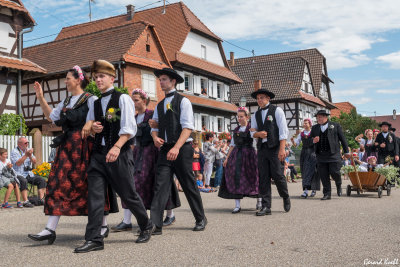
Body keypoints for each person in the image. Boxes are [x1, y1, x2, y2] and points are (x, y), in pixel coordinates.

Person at [28, 66, 115, 245]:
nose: (66, 81)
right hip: (67, 148)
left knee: (90, 186)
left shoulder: (91, 99)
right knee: (57, 183)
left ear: (78, 80)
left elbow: (100, 120)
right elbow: (52, 117)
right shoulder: (66, 100)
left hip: (85, 147)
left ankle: (103, 225)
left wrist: (89, 124)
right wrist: (40, 97)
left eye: (68, 78)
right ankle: (49, 229)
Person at [74, 60, 154, 253]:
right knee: (95, 197)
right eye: (96, 77)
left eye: (102, 76)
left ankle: (146, 224)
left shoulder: (122, 98)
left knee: (128, 194)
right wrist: (93, 128)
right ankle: (94, 239)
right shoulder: (94, 101)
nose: (98, 80)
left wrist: (117, 147)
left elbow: (129, 128)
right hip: (99, 155)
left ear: (112, 78)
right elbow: (92, 126)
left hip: (119, 153)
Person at [112, 88, 180, 232]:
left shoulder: (152, 115)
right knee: (131, 184)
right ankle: (127, 220)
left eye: (136, 100)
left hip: (152, 154)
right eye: (132, 100)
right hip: (136, 153)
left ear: (144, 101)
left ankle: (170, 214)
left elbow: (163, 129)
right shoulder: (133, 117)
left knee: (158, 185)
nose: (134, 103)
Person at [149, 67, 206, 235]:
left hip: (181, 148)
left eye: (164, 79)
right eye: (160, 80)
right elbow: (154, 125)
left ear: (173, 81)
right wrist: (154, 137)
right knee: (160, 186)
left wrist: (176, 147)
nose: (161, 82)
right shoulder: (159, 104)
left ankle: (200, 218)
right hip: (165, 149)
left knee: (188, 184)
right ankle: (156, 224)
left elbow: (188, 128)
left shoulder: (183, 101)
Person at [250, 88, 290, 216]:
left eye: (262, 97)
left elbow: (283, 131)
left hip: (275, 148)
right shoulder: (255, 114)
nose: (259, 100)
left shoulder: (277, 110)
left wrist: (282, 149)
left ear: (268, 98)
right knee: (263, 177)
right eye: (258, 98)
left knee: (278, 175)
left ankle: (285, 196)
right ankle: (266, 206)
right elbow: (252, 132)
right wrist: (258, 134)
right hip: (262, 148)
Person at [219, 107, 261, 213]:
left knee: (254, 176)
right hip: (237, 155)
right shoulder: (236, 129)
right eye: (238, 116)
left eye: (241, 116)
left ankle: (259, 200)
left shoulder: (251, 128)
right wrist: (227, 158)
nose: (239, 118)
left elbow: (257, 140)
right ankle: (237, 205)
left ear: (247, 117)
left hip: (249, 155)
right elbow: (232, 145)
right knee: (235, 177)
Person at [310, 110, 350, 200]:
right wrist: (313, 141)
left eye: (320, 117)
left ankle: (338, 184)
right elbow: (309, 140)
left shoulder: (335, 125)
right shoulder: (315, 128)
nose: (318, 119)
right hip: (320, 155)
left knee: (335, 172)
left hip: (333, 154)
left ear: (325, 117)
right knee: (323, 175)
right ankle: (327, 194)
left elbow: (342, 139)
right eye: (317, 117)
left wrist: (346, 151)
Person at [11, 137, 46, 206]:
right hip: (18, 173)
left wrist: (30, 156)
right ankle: (25, 201)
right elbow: (17, 163)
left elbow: (35, 162)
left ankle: (41, 199)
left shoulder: (28, 150)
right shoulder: (14, 152)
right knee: (23, 181)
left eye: (28, 143)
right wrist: (26, 155)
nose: (27, 144)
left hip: (28, 173)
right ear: (19, 144)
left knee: (41, 180)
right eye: (25, 143)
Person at [291, 118, 320, 198]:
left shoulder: (314, 132)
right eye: (304, 123)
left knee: (314, 171)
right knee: (305, 171)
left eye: (306, 123)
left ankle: (313, 190)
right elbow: (296, 145)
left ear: (310, 124)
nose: (304, 125)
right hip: (304, 154)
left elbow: (317, 142)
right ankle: (306, 191)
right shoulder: (301, 134)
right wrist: (293, 141)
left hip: (312, 153)